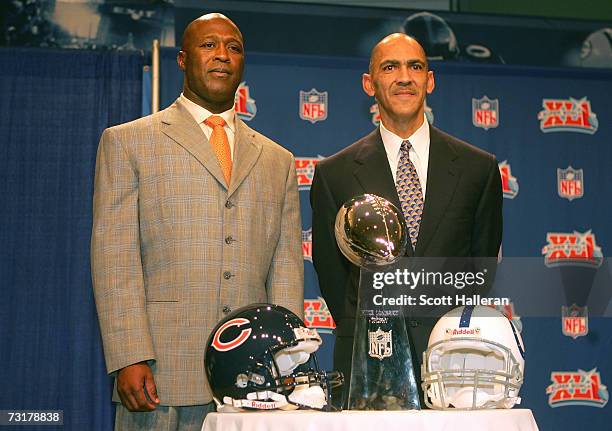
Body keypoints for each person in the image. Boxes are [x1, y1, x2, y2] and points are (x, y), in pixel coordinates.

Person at [91, 13, 303, 430]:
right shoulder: (129, 142)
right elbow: (115, 259)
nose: (222, 55)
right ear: (183, 59)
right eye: (209, 45)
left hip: (254, 383)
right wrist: (130, 354)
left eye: (234, 47)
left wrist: (287, 356)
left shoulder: (278, 160)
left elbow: (286, 270)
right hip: (162, 376)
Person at [310, 33, 502, 406]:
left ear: (429, 80)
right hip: (368, 363)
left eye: (415, 66)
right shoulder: (334, 174)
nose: (404, 77)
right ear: (370, 84)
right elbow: (333, 277)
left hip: (455, 363)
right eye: (390, 67)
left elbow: (480, 270)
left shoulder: (479, 169)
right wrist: (376, 328)